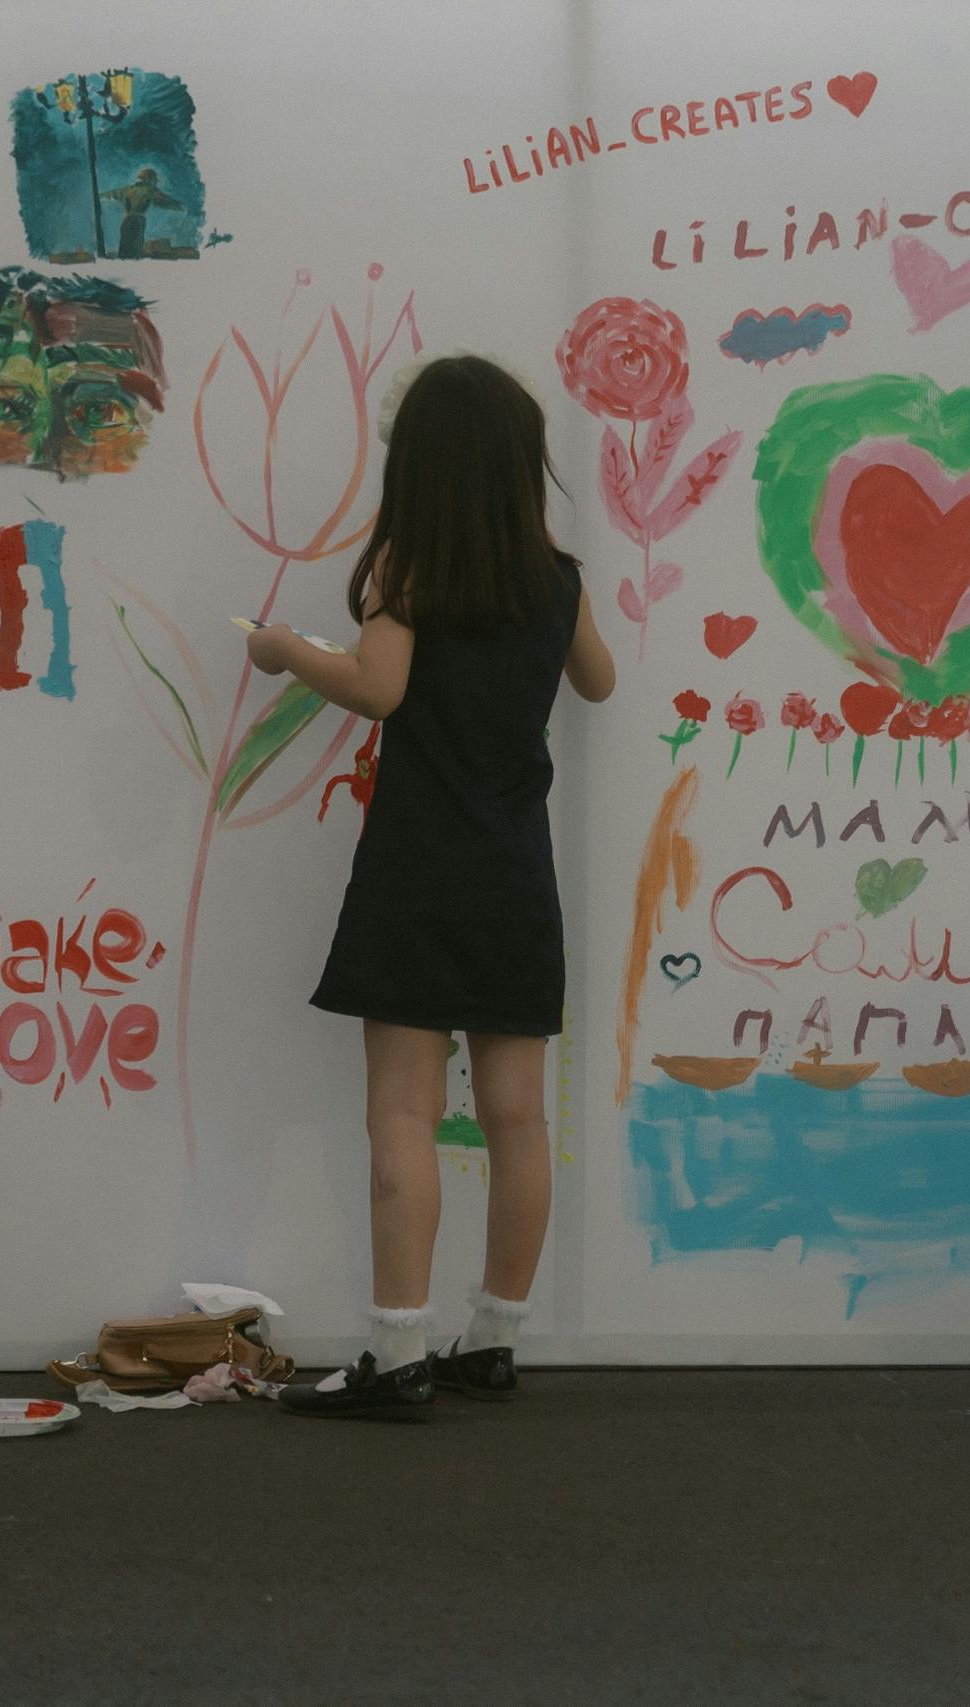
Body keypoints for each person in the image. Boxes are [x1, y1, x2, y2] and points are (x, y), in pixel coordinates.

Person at [245, 353, 616, 1421]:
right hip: (515, 872)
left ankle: (396, 1353)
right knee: (517, 1120)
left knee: (402, 1115)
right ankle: (494, 1338)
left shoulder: (409, 569)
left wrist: (283, 649)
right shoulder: (555, 577)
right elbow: (597, 679)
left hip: (416, 869)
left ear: (420, 467)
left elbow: (377, 688)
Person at [102, 166, 184, 258]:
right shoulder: (149, 190)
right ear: (149, 179)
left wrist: (99, 196)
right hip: (138, 220)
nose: (155, 182)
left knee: (124, 247)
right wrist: (181, 207)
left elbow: (111, 194)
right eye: (154, 180)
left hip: (126, 220)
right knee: (136, 248)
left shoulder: (127, 190)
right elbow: (165, 201)